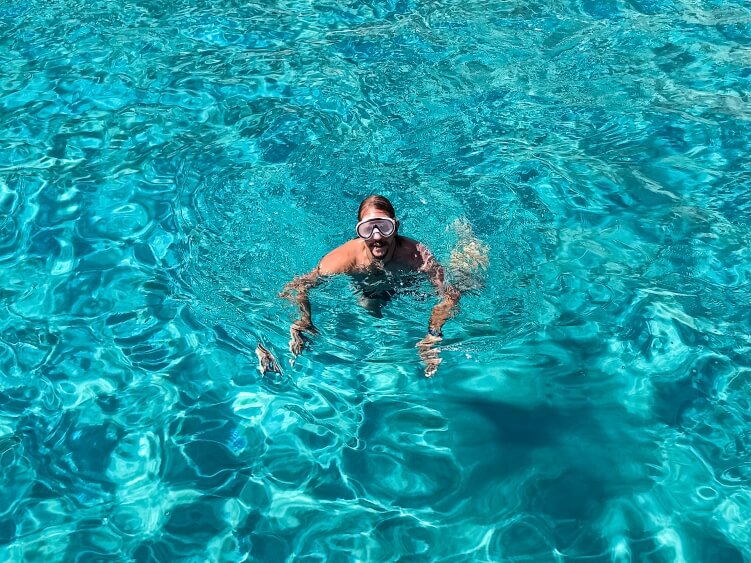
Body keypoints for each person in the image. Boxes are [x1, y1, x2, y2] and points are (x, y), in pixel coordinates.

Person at [280, 195, 460, 377]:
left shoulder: (417, 256)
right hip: (369, 288)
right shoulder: (344, 259)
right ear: (359, 232)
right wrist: (303, 319)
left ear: (395, 227)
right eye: (368, 228)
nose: (377, 236)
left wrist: (433, 334)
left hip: (409, 282)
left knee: (467, 278)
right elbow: (296, 286)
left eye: (384, 227)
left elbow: (450, 295)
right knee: (369, 310)